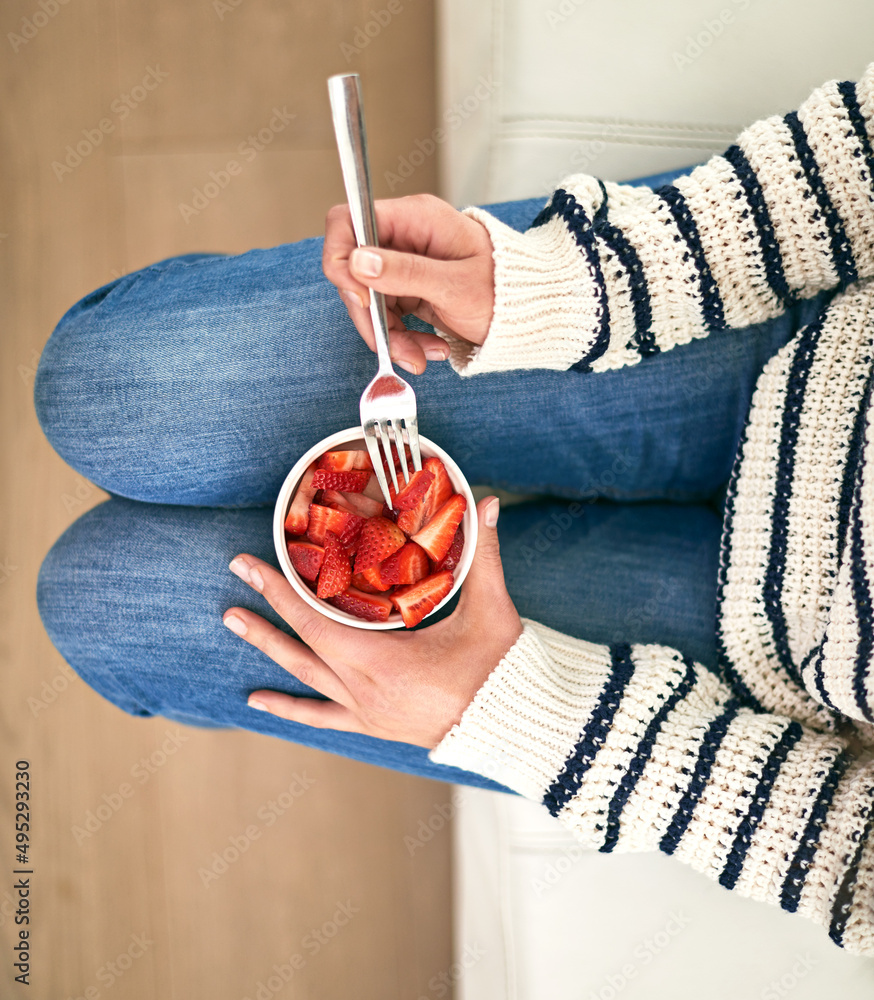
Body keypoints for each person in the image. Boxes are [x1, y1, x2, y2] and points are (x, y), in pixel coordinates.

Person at [36, 64, 874, 954]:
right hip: (799, 337)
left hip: (776, 675)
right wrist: (572, 284)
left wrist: (517, 712)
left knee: (99, 601)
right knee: (98, 385)